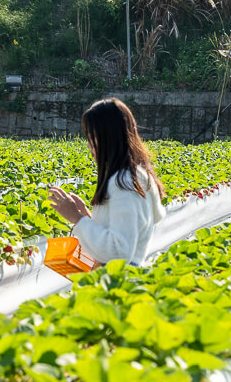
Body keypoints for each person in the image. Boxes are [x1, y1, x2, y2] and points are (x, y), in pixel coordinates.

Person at [48, 98, 165, 267]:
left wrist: (77, 219)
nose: (89, 146)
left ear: (108, 137)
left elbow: (118, 251)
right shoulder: (136, 175)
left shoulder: (124, 184)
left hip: (119, 284)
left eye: (92, 137)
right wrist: (88, 217)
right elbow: (123, 232)